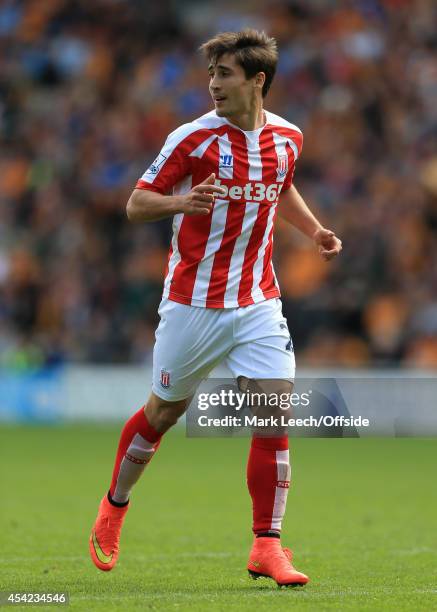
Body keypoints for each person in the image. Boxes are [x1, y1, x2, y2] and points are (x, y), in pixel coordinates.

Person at [89, 29, 342, 587]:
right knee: (163, 414)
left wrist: (315, 230)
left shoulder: (289, 138)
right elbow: (135, 204)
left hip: (258, 300)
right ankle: (115, 504)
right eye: (210, 75)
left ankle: (266, 545)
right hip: (193, 304)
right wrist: (182, 201)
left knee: (274, 414)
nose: (212, 85)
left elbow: (281, 187)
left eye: (224, 75)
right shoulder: (192, 139)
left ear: (258, 81)